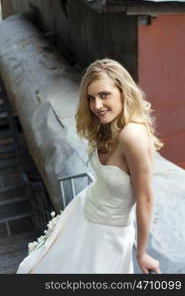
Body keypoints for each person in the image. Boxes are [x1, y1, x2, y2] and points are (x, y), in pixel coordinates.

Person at [17, 58, 163, 274]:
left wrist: (142, 253)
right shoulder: (109, 127)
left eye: (104, 95)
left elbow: (146, 197)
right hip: (83, 212)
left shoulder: (132, 135)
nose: (97, 106)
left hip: (107, 235)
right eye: (91, 98)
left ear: (123, 91)